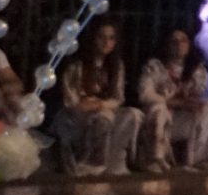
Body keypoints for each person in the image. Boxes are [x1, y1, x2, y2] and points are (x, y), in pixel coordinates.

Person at [52, 19, 143, 177]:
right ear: (93, 38)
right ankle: (90, 164)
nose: (106, 42)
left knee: (132, 114)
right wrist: (89, 106)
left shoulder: (116, 66)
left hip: (103, 110)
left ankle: (115, 162)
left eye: (111, 38)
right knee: (101, 118)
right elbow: (70, 99)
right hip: (77, 116)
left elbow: (118, 98)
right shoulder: (77, 66)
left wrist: (100, 104)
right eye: (102, 37)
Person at [134, 25, 208, 171]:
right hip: (158, 119)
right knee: (158, 108)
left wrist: (195, 101)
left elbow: (205, 93)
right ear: (167, 45)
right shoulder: (155, 66)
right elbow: (145, 94)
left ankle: (201, 158)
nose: (179, 45)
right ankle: (155, 159)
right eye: (174, 41)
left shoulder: (197, 70)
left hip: (182, 120)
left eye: (183, 41)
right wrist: (175, 103)